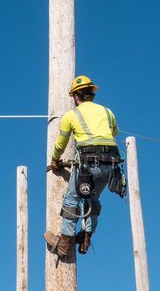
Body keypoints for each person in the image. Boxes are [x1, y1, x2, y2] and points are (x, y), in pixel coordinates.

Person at [46, 75, 123, 256]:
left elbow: (61, 143)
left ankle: (65, 242)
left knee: (72, 199)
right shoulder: (107, 112)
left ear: (75, 97)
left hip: (88, 164)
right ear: (92, 95)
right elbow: (115, 132)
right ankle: (87, 237)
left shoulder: (71, 115)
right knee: (92, 198)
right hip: (110, 165)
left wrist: (55, 160)